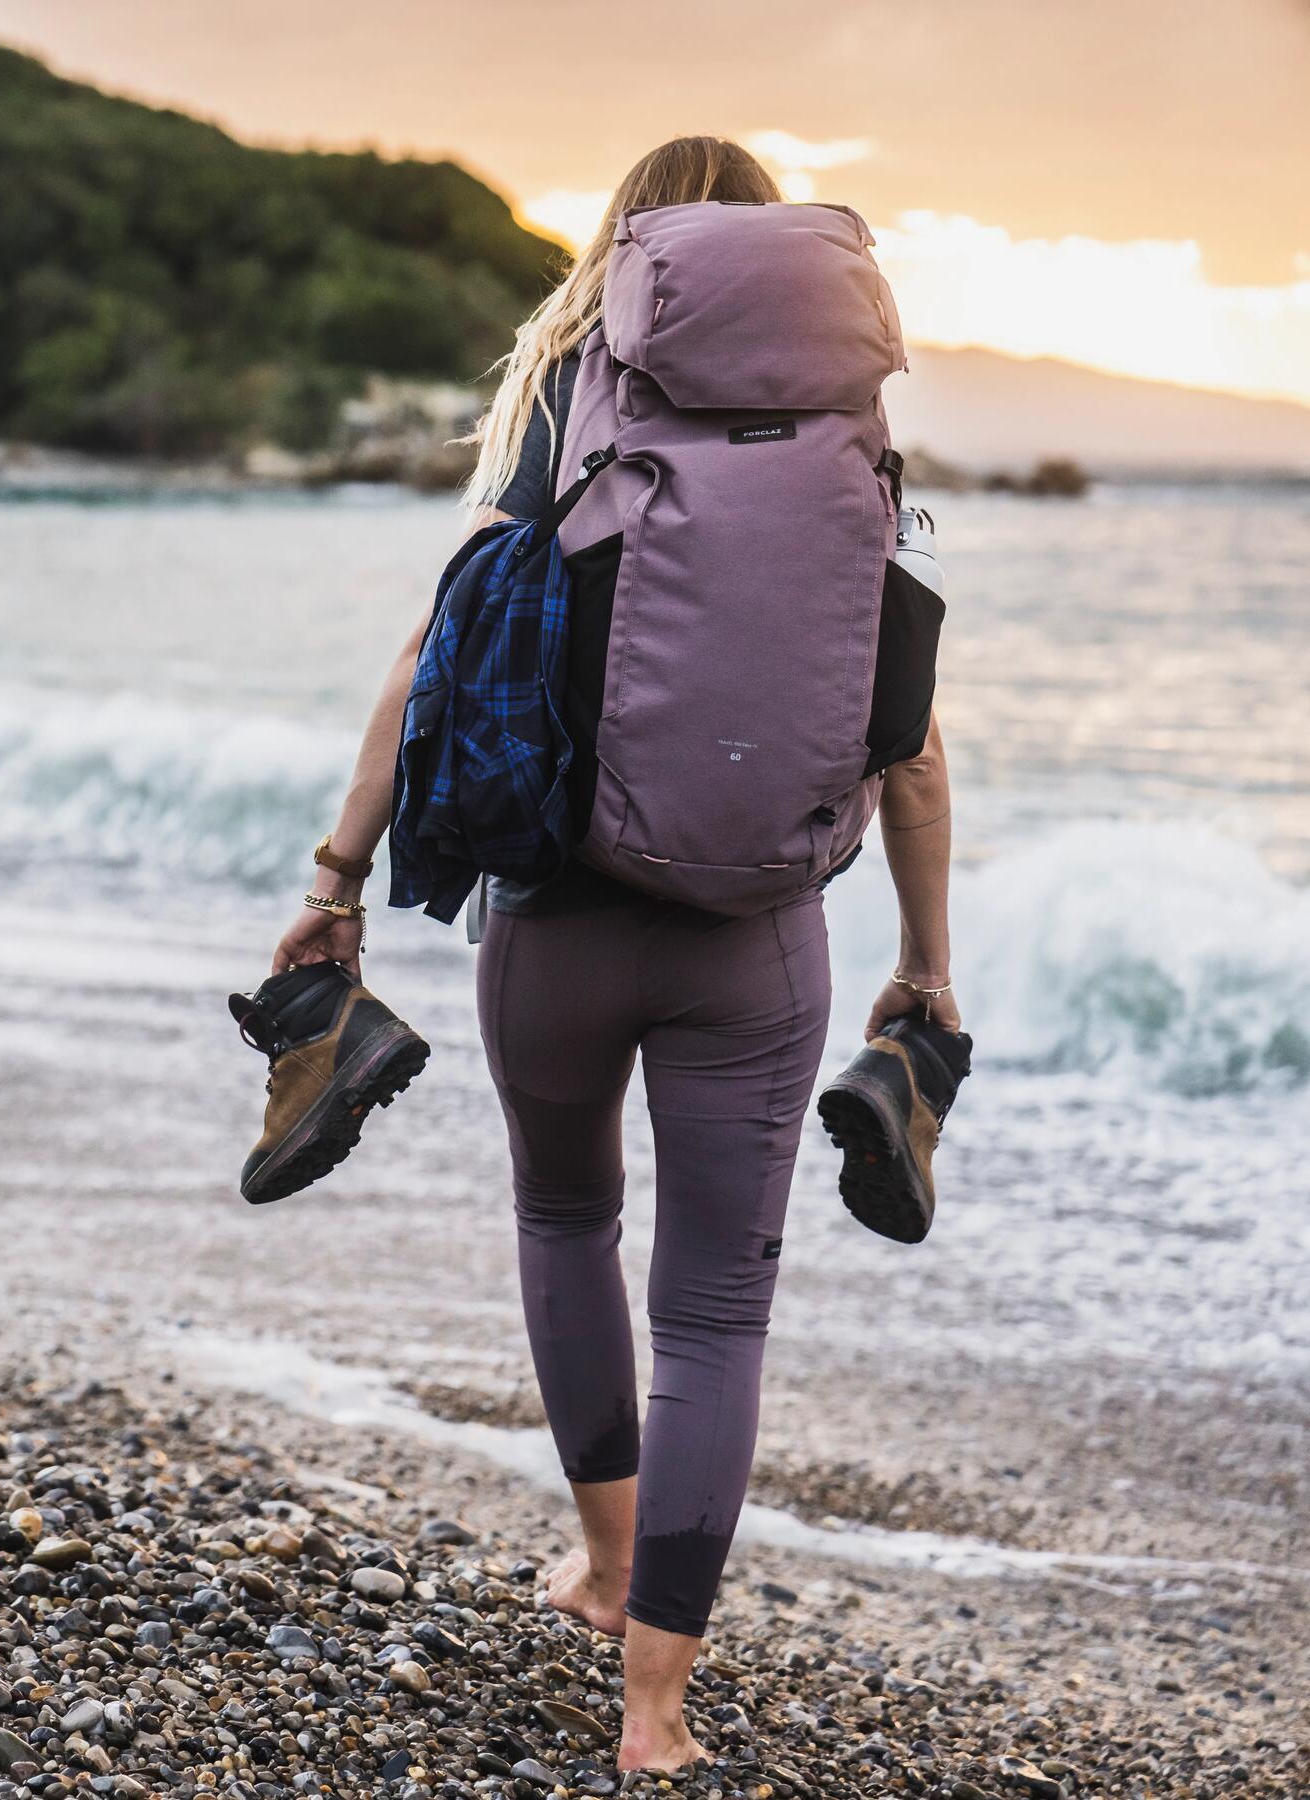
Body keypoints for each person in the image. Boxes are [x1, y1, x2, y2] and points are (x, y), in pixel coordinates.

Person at [271, 134, 961, 1775]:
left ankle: (599, 1560)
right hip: (762, 943)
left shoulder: (572, 398)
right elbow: (912, 741)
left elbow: (436, 655)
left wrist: (336, 877)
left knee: (567, 1220)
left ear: (628, 247)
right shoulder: (839, 431)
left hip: (558, 921)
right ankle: (657, 1715)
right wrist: (927, 965)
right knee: (721, 1308)